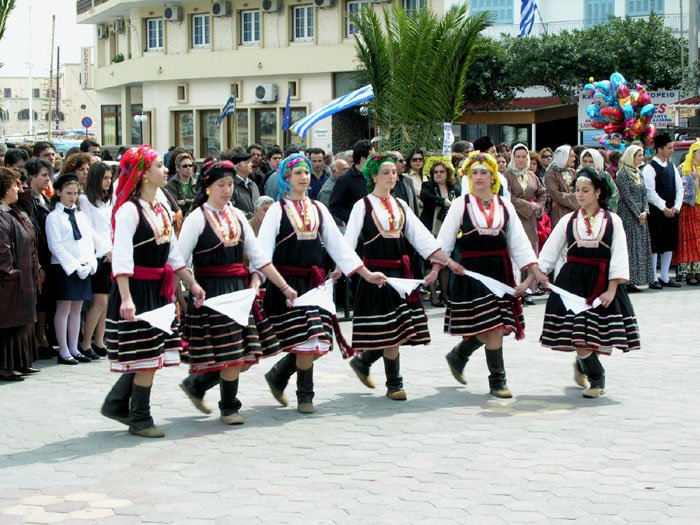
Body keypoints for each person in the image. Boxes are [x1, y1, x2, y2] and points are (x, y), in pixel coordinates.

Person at [259, 153, 386, 414]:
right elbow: (262, 253)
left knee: (317, 344)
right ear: (285, 177)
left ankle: (279, 375)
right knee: (309, 342)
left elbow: (340, 248)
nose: (304, 177)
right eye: (298, 173)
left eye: (306, 173)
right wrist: (263, 284)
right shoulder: (276, 210)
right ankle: (305, 396)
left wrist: (366, 274)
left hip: (314, 285)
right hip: (288, 284)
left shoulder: (318, 208)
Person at [177, 161, 296, 425]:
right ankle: (229, 407)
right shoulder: (196, 218)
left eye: (230, 184)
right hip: (212, 294)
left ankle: (198, 384)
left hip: (239, 292)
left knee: (246, 355)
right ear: (207, 187)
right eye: (221, 184)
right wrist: (192, 285)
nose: (227, 190)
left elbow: (258, 257)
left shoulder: (237, 215)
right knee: (233, 355)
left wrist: (281, 285)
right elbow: (178, 260)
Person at [101, 145, 206, 438]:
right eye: (160, 165)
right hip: (136, 289)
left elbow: (173, 256)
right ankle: (140, 419)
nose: (166, 170)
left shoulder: (159, 208)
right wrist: (125, 299)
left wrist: (191, 283)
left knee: (149, 353)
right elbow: (121, 259)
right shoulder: (128, 211)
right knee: (146, 356)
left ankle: (117, 403)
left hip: (158, 291)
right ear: (143, 174)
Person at [344, 152, 464, 399]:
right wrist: (352, 271)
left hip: (400, 273)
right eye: (385, 172)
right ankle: (393, 382)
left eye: (394, 172)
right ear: (373, 175)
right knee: (390, 330)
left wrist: (446, 262)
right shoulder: (362, 205)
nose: (391, 176)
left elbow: (422, 238)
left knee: (397, 329)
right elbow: (346, 245)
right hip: (375, 274)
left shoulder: (401, 205)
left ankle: (370, 366)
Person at [440, 152, 547, 398]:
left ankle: (485, 372)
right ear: (468, 175)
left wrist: (533, 270)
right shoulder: (461, 204)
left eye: (484, 172)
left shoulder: (504, 205)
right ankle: (473, 364)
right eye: (474, 172)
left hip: (499, 271)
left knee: (496, 325)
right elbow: (444, 241)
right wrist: (439, 267)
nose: (478, 177)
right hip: (472, 272)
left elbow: (518, 241)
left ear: (493, 176)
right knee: (489, 324)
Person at [534, 167, 640, 398]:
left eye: (585, 190)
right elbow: (549, 252)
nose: (580, 195)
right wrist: (535, 276)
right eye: (577, 190)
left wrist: (612, 289)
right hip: (573, 284)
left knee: (596, 335)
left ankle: (583, 364)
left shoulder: (613, 221)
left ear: (598, 191)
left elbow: (619, 256)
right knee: (580, 337)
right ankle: (596, 379)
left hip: (601, 283)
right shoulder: (568, 220)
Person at [46, 173, 97, 365]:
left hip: (82, 265)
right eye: (68, 193)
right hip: (64, 267)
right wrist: (74, 266)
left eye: (75, 193)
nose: (72, 197)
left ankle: (74, 347)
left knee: (77, 308)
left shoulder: (81, 215)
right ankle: (64, 350)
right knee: (64, 307)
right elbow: (56, 246)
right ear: (58, 192)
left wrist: (90, 264)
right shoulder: (54, 217)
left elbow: (88, 241)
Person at [0, 168, 41, 381]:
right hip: (10, 280)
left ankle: (21, 362)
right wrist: (11, 273)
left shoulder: (13, 210)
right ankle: (5, 365)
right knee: (10, 325)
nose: (20, 188)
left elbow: (27, 206)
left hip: (23, 276)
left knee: (24, 323)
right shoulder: (1, 215)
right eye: (15, 185)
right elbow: (2, 251)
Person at [502, 144, 546, 303]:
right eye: (518, 156)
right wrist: (529, 206)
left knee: (530, 251)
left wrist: (539, 207)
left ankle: (529, 289)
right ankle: (516, 288)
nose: (521, 160)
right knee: (516, 251)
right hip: (515, 217)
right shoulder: (507, 176)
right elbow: (509, 197)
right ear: (513, 158)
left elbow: (542, 193)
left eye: (524, 156)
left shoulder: (532, 175)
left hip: (531, 219)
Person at [78, 163, 114, 358]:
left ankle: (99, 341)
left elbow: (110, 227)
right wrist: (106, 250)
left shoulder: (106, 200)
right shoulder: (84, 200)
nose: (109, 181)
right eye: (105, 178)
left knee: (106, 301)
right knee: (99, 301)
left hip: (109, 254)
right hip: (96, 255)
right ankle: (85, 342)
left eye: (110, 178)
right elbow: (89, 229)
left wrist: (113, 249)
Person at [642, 133, 683, 289]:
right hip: (657, 211)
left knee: (669, 243)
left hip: (672, 210)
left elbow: (679, 188)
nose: (672, 150)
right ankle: (653, 278)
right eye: (669, 148)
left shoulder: (672, 166)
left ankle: (665, 276)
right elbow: (650, 192)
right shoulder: (649, 168)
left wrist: (676, 207)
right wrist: (664, 207)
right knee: (656, 244)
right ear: (659, 149)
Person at [420, 158, 460, 306]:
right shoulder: (428, 186)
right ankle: (433, 296)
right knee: (430, 262)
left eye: (441, 172)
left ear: (447, 173)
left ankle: (444, 293)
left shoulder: (454, 188)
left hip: (448, 230)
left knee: (446, 262)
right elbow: (425, 197)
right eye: (435, 172)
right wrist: (443, 201)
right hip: (431, 228)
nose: (438, 174)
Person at [25, 159, 54, 357]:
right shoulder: (29, 201)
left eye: (48, 175)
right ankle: (37, 338)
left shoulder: (45, 198)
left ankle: (42, 336)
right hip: (39, 257)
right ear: (32, 176)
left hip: (49, 255)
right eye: (43, 175)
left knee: (46, 301)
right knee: (38, 301)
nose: (47, 179)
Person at [615, 145, 654, 292]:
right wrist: (638, 213)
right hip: (628, 215)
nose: (642, 158)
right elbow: (626, 196)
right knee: (631, 247)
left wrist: (645, 211)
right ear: (631, 156)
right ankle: (627, 280)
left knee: (640, 247)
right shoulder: (623, 174)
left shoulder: (639, 173)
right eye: (639, 155)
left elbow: (645, 194)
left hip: (641, 216)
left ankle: (637, 279)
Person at [329, 139, 374, 225]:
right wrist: (355, 218)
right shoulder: (345, 179)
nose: (375, 160)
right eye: (372, 157)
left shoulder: (375, 176)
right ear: (363, 159)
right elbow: (335, 207)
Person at [677, 140, 700, 285]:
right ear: (693, 153)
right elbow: (679, 188)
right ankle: (690, 272)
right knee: (690, 240)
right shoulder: (683, 169)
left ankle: (698, 271)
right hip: (689, 209)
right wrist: (691, 178)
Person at [545, 145, 578, 228]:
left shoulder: (573, 172)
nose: (574, 159)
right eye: (571, 156)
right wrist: (575, 198)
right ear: (563, 157)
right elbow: (555, 194)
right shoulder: (551, 173)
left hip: (574, 211)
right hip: (560, 212)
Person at [230, 151, 260, 219]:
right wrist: (252, 217)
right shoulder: (231, 186)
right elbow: (232, 209)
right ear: (239, 165)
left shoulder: (253, 185)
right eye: (248, 162)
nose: (251, 164)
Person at [391, 151, 420, 216]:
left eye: (404, 160)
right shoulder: (387, 182)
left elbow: (415, 206)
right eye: (400, 161)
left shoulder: (409, 181)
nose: (404, 163)